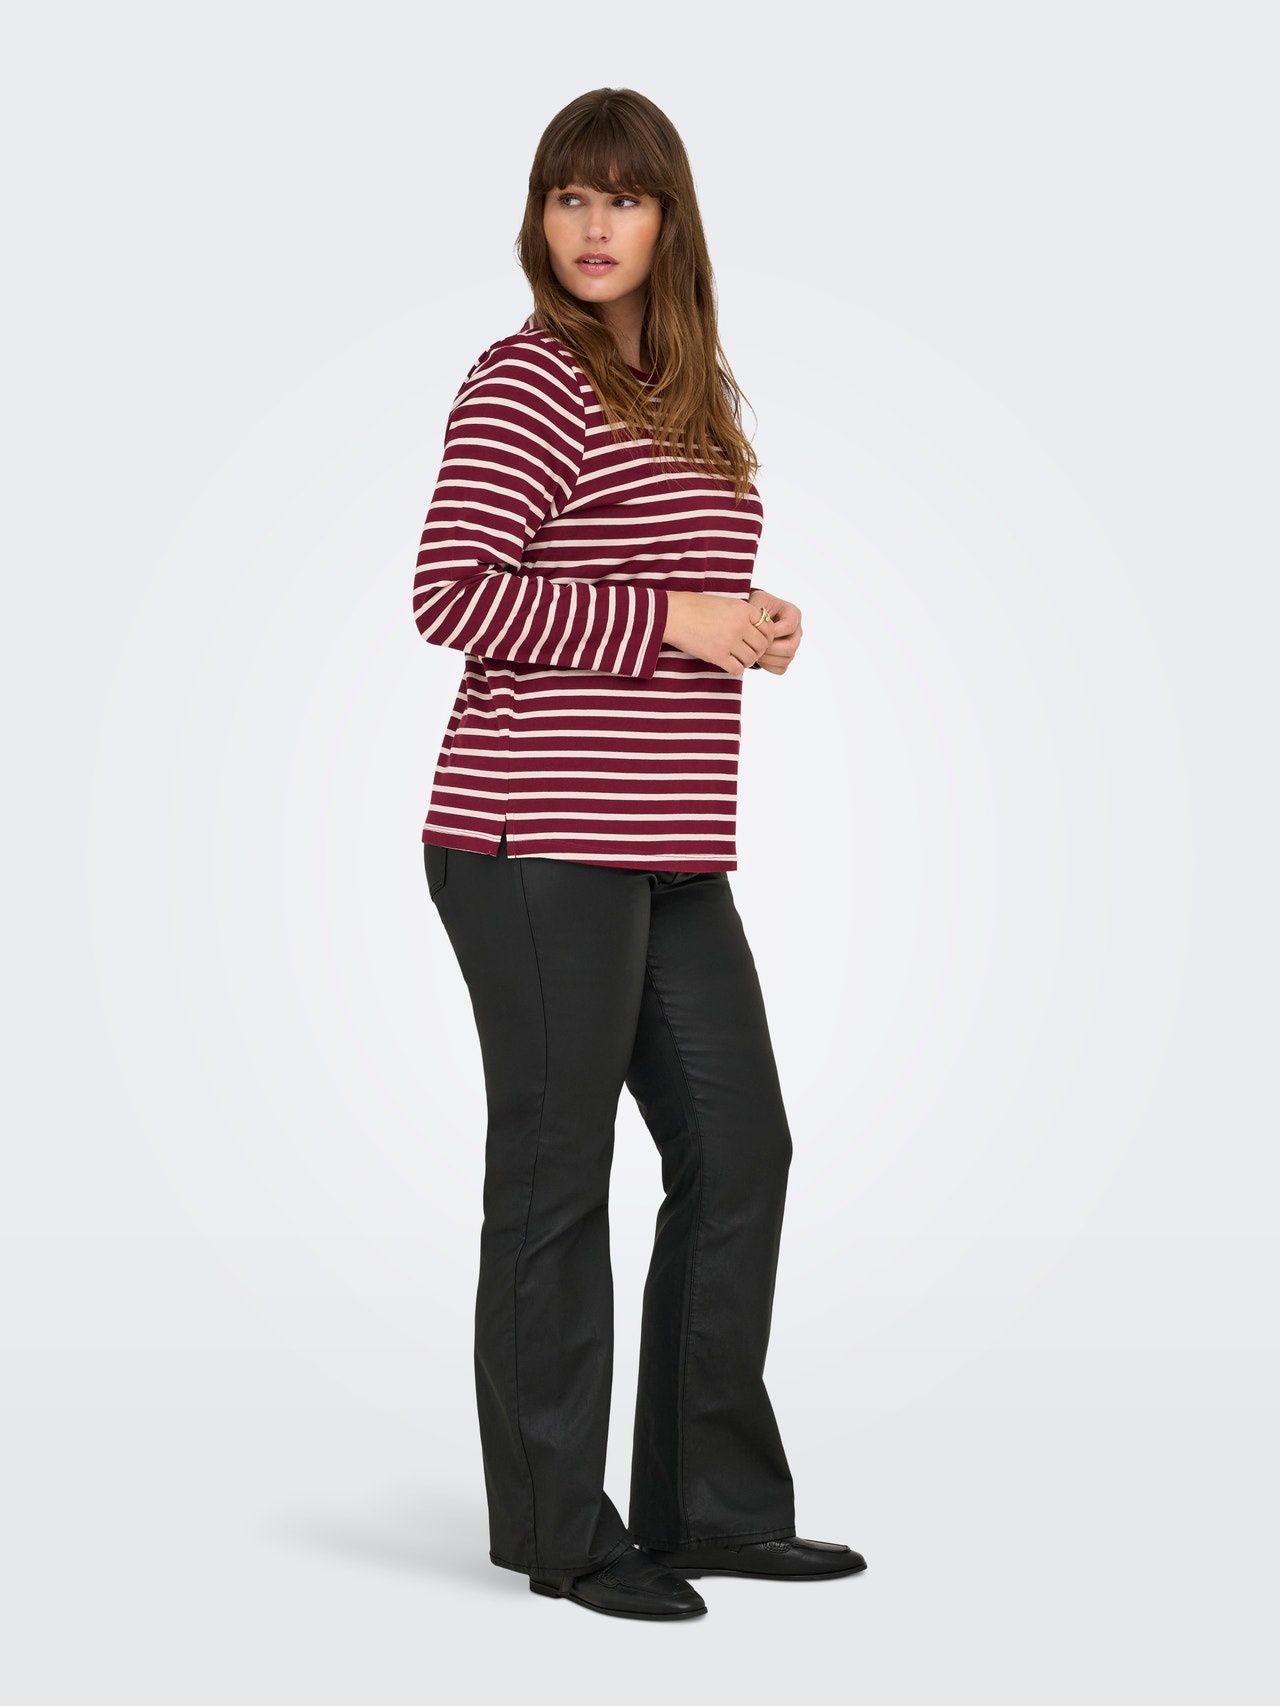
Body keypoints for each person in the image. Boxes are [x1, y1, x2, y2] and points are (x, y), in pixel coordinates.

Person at [411, 86, 866, 1620]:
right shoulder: (528, 379)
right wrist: (678, 620)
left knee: (742, 1151)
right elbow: (453, 592)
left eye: (623, 197)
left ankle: (714, 1505)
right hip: (535, 837)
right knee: (556, 1180)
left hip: (669, 843)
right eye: (568, 197)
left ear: (671, 219)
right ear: (539, 220)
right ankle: (561, 1529)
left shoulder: (686, 392)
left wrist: (753, 625)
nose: (593, 226)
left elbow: (663, 586)